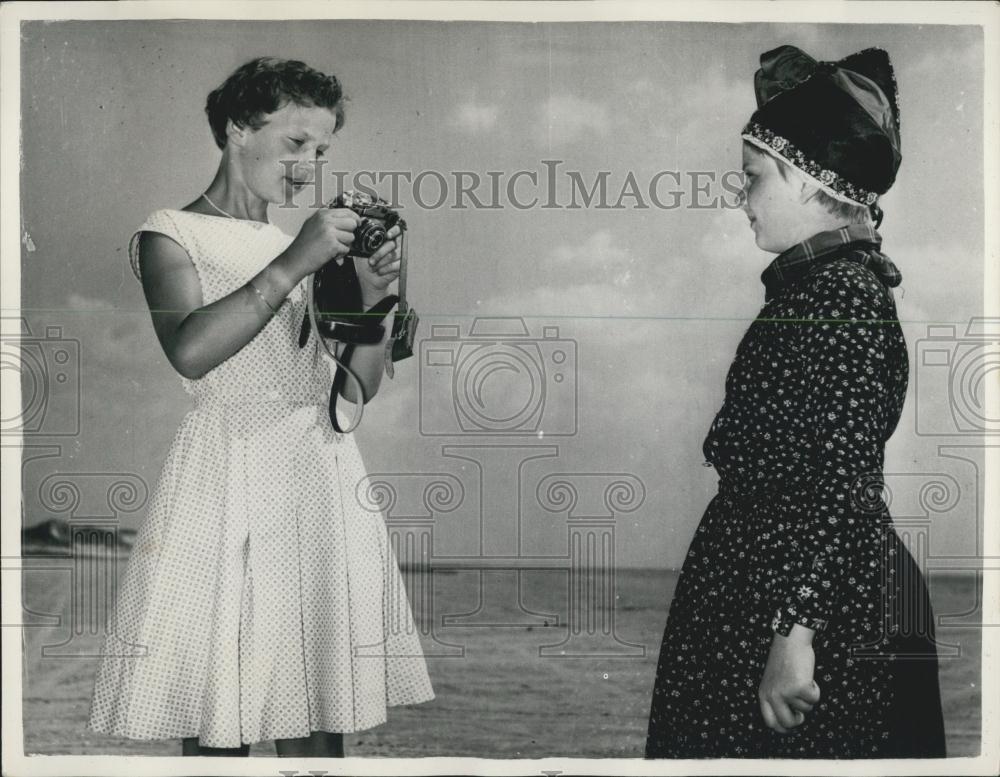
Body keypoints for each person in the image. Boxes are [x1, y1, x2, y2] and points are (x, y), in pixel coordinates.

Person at [87, 57, 434, 757]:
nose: (310, 164)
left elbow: (354, 391)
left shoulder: (301, 247)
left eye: (323, 150)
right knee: (222, 716)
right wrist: (295, 264)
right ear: (238, 129)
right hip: (228, 476)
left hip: (318, 477)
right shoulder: (170, 232)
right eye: (296, 143)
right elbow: (189, 350)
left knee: (317, 728)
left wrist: (377, 303)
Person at [645, 45, 946, 758]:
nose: (740, 197)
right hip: (776, 584)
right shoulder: (816, 291)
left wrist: (796, 634)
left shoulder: (839, 296)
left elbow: (844, 483)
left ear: (810, 183)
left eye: (752, 179)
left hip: (805, 602)